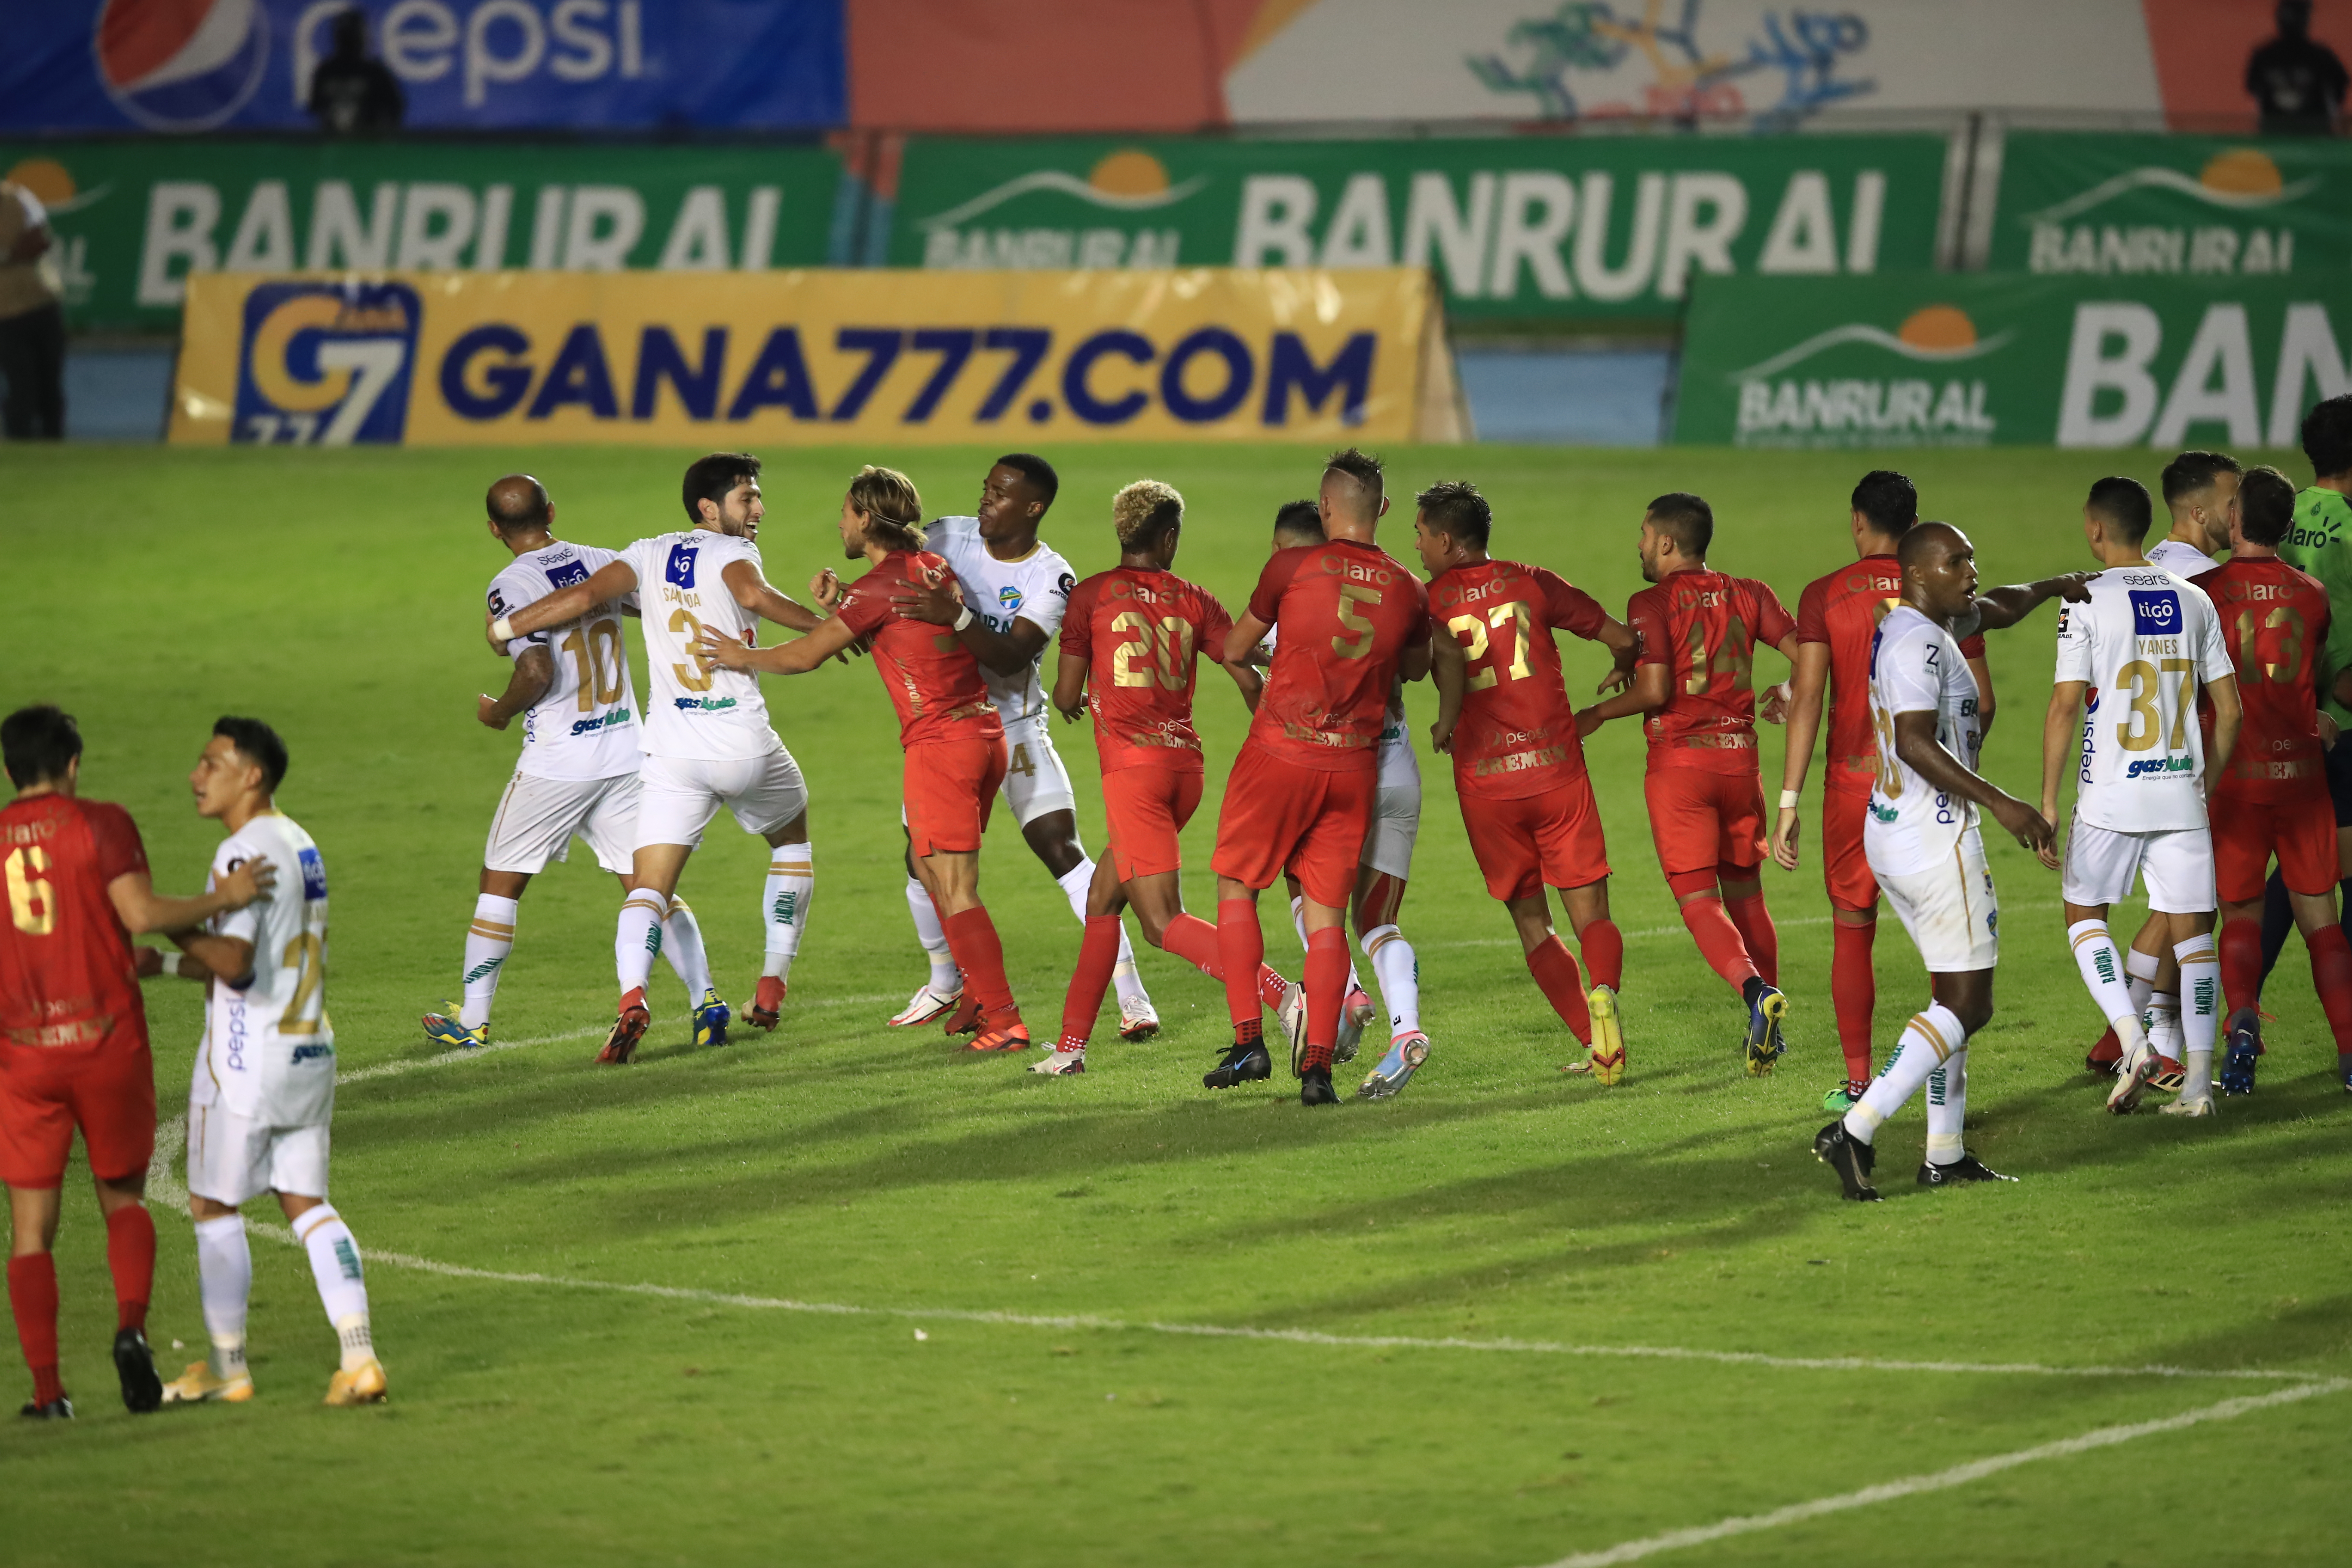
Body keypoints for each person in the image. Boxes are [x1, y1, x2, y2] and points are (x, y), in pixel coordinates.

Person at [487, 453, 827, 1063]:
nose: (759, 509)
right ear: (709, 507)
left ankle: (632, 998)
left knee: (648, 888)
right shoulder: (734, 555)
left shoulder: (645, 552)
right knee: (792, 839)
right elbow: (759, 596)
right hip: (742, 743)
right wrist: (836, 621)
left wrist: (507, 628)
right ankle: (771, 982)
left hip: (673, 755)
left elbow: (586, 594)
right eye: (748, 498)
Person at [1, 707, 273, 1419]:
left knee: (30, 1229)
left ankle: (47, 1391)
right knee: (122, 1196)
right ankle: (130, 1329)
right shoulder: (101, 822)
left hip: (25, 1056)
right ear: (73, 764)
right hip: (105, 1041)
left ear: (9, 770)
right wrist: (226, 895)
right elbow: (140, 912)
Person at [698, 467, 1029, 1052]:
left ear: (867, 519)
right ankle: (979, 995)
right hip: (981, 737)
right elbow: (896, 626)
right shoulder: (928, 569)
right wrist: (841, 600)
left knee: (954, 886)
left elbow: (805, 657)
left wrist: (738, 655)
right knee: (931, 872)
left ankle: (1005, 1018)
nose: (840, 523)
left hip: (941, 747)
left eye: (846, 513)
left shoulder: (881, 587)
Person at [1812, 526, 2077, 1200]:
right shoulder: (1915, 643)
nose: (1971, 569)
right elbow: (1912, 742)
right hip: (1935, 837)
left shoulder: (1933, 620)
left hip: (1896, 830)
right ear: (1917, 574)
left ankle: (1945, 1153)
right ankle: (1858, 1127)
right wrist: (2003, 803)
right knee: (1969, 1002)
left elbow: (2003, 605)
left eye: (1971, 558)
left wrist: (2054, 587)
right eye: (1955, 561)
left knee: (1948, 999)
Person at [423, 475, 729, 1055]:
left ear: (494, 529)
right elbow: (663, 608)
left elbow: (536, 671)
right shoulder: (603, 561)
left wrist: (501, 713)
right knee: (649, 886)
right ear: (552, 512)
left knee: (501, 883)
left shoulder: (510, 586)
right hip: (626, 750)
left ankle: (474, 1019)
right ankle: (705, 999)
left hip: (560, 763)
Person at [879, 455, 1160, 1044]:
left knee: (1061, 849)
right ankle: (944, 981)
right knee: (920, 860)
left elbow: (1012, 655)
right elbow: (886, 578)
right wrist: (841, 600)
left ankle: (1133, 998)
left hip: (1016, 727)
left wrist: (953, 614)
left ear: (1032, 508)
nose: (986, 500)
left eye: (1001, 494)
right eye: (986, 488)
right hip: (949, 730)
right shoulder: (946, 536)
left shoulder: (1051, 576)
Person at [153, 717, 387, 1407]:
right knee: (306, 1204)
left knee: (212, 1202)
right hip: (309, 1046)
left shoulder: (238, 855)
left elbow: (233, 961)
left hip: (245, 1058)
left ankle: (229, 1368)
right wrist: (168, 965)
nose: (197, 776)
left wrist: (171, 920)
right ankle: (359, 1355)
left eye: (211, 763)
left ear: (250, 775)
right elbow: (250, 961)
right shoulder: (299, 841)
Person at [1208, 449, 1431, 1106]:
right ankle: (1318, 1071)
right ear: (1383, 510)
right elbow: (1414, 669)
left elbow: (1233, 648)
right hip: (1354, 765)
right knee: (1331, 918)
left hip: (1281, 751)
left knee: (1237, 887)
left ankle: (1250, 1039)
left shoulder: (1292, 565)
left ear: (1325, 506)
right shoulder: (1408, 589)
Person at [1035, 480, 1280, 1076]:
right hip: (1183, 771)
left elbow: (1064, 693)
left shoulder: (1091, 596)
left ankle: (1287, 996)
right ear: (1169, 537)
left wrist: (1079, 698)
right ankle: (1070, 1049)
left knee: (1161, 920)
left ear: (1124, 533)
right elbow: (1247, 671)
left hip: (1133, 775)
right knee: (1102, 897)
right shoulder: (1196, 599)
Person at [1772, 472, 1993, 1110]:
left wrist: (1788, 801)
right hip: (1928, 789)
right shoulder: (1942, 589)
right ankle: (1939, 1087)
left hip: (1851, 786)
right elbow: (1983, 699)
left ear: (1858, 522)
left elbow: (1808, 696)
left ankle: (1860, 1078)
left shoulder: (1824, 595)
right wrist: (1960, 764)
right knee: (1946, 943)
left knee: (1852, 929)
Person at [1419, 481, 1638, 1090]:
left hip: (1488, 784)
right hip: (1556, 769)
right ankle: (1603, 996)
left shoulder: (1429, 601)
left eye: (1419, 534)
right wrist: (1624, 662)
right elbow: (1622, 637)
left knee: (1533, 923)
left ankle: (1596, 1044)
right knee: (1591, 909)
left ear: (1444, 539)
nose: (1416, 546)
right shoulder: (1532, 581)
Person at [1577, 493, 1797, 1075]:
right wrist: (1793, 694)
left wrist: (1597, 715)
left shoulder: (1650, 601)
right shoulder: (1751, 593)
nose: (1641, 545)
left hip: (1681, 767)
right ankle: (1770, 1017)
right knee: (1747, 894)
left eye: (1645, 535)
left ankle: (1756, 995)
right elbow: (1807, 652)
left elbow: (1655, 691)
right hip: (1740, 760)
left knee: (1700, 899)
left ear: (1668, 542)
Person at [2042, 478, 2242, 1117]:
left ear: (2095, 529)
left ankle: (2133, 1040)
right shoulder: (2194, 598)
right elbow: (2231, 711)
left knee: (2084, 916)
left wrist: (2047, 801)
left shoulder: (2085, 600)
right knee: (2195, 937)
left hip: (2111, 797)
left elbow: (2066, 705)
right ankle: (2201, 1087)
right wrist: (2201, 782)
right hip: (2180, 793)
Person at [2193, 466, 2352, 1093]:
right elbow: (2301, 678)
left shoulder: (2204, 592)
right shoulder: (2313, 595)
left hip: (2237, 783)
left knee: (2239, 918)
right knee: (2324, 923)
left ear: (2234, 519)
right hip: (2303, 780)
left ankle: (2241, 1027)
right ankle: (2348, 1055)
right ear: (2287, 526)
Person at [2260, 394, 2352, 1061]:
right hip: (2341, 724)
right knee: (2324, 873)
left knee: (2300, 870)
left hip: (2281, 720)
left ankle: (2227, 1004)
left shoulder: (2285, 518)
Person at [0, 175, 64, 441]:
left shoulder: (18, 197)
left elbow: (41, 240)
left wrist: (6, 255)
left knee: (50, 387)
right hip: (5, 314)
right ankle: (20, 447)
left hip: (42, 302)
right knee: (21, 386)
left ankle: (54, 447)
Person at [2246, 0, 2346, 135]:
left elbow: (2253, 89)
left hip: (2276, 136)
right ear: (2306, 20)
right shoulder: (2321, 56)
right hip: (2314, 136)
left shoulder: (2263, 56)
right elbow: (2340, 88)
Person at [308, 8, 405, 136]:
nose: (349, 41)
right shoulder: (326, 72)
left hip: (367, 146)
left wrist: (382, 136)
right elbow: (316, 107)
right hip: (333, 145)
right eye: (345, 36)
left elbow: (394, 110)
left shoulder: (376, 73)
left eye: (352, 35)